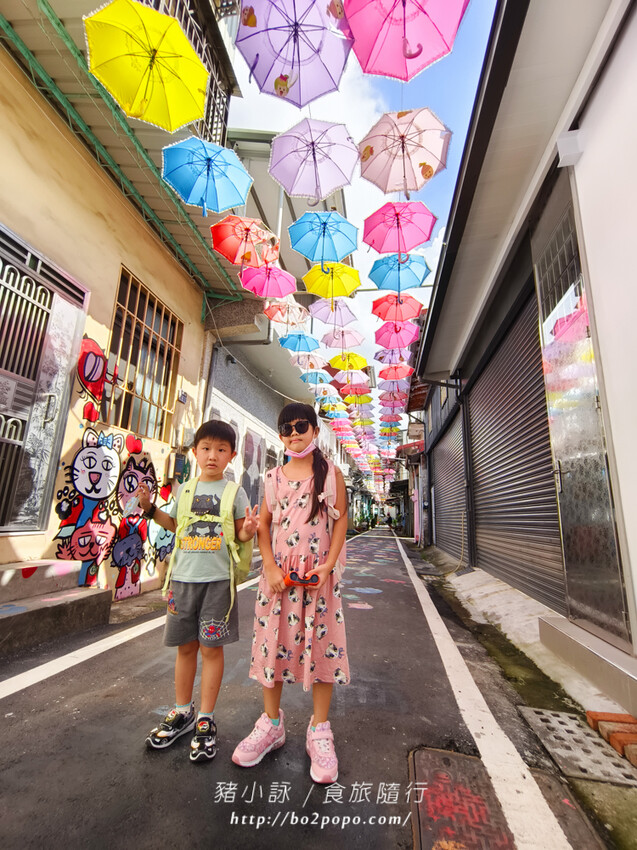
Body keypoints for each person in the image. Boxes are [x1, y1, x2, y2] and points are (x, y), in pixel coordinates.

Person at [232, 403, 349, 784]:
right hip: (279, 579)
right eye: (286, 428)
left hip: (317, 580)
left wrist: (329, 564)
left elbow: (341, 518)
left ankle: (319, 730)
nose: (294, 433)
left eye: (301, 426)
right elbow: (264, 524)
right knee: (273, 646)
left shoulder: (331, 475)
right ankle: (271, 724)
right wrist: (268, 565)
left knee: (322, 646)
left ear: (315, 430)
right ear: (280, 435)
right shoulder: (271, 477)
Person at [138, 420, 259, 763]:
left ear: (231, 456)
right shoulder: (186, 491)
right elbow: (174, 525)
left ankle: (205, 717)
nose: (212, 455)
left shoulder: (235, 492)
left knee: (211, 650)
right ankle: (182, 711)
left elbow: (240, 533)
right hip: (182, 581)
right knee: (185, 648)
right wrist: (150, 509)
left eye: (221, 450)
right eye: (206, 448)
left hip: (218, 584)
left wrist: (248, 529)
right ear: (195, 452)